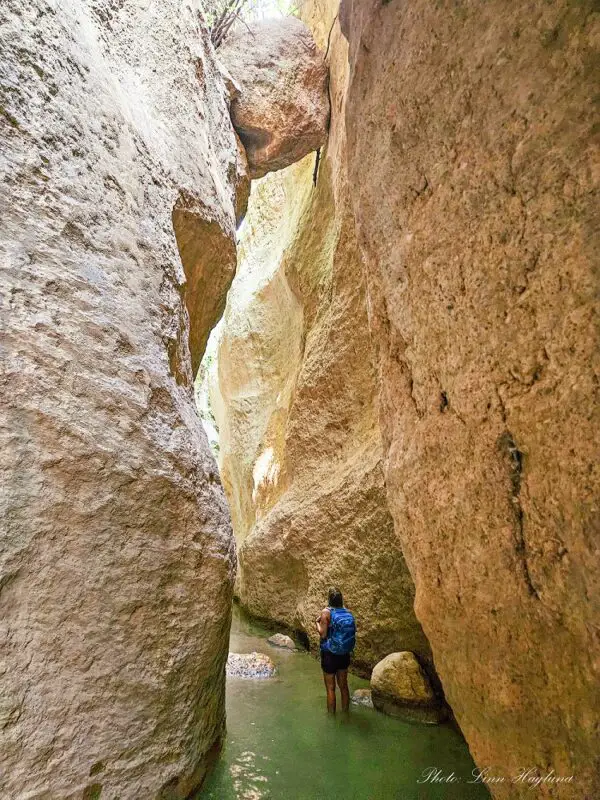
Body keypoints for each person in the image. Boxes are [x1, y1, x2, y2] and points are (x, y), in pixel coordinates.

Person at [316, 587, 356, 713]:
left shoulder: (326, 613)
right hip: (344, 654)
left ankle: (331, 718)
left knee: (330, 688)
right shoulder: (347, 612)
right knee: (343, 686)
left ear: (329, 599)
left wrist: (316, 623)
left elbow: (323, 634)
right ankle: (346, 714)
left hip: (329, 654)